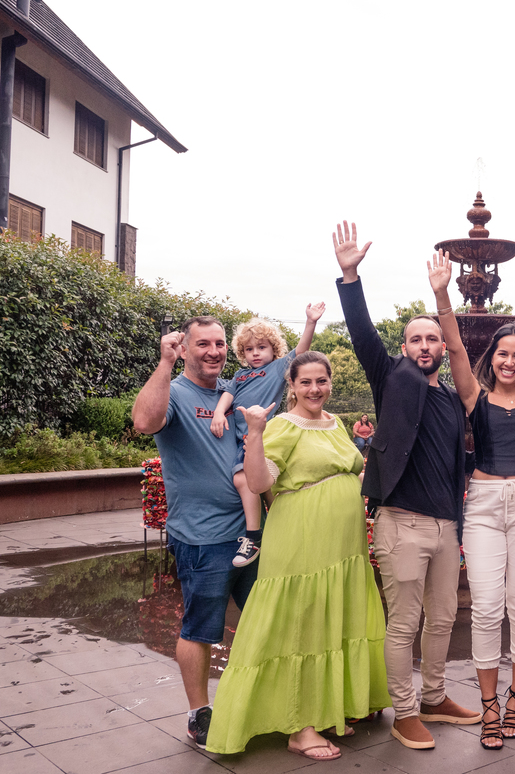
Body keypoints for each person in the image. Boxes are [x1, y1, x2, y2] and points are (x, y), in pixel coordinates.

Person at [333, 221, 479, 750]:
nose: (424, 345)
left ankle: (435, 697)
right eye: (415, 338)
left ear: (442, 345)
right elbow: (361, 333)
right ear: (404, 346)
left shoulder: (453, 398)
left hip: (445, 526)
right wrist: (351, 277)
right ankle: (406, 711)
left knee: (442, 618)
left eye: (432, 338)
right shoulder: (391, 376)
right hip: (402, 522)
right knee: (404, 622)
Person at [205, 351, 390, 759]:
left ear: (330, 382)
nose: (314, 389)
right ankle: (300, 727)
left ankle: (330, 708)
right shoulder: (283, 425)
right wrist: (255, 433)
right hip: (302, 541)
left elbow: (348, 469)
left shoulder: (335, 422)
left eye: (321, 381)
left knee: (334, 619)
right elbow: (258, 483)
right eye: (305, 382)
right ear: (291, 384)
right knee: (302, 624)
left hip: (343, 546)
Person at [427, 251, 515, 750]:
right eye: (502, 353)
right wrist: (442, 293)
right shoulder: (474, 397)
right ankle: (488, 705)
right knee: (485, 608)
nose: (508, 360)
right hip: (482, 504)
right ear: (494, 357)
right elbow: (457, 348)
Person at [131, 316, 258, 749]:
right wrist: (164, 364)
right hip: (203, 537)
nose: (214, 351)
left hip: (252, 534)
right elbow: (144, 422)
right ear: (184, 348)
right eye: (203, 344)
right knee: (200, 628)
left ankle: (258, 700)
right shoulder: (176, 392)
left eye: (219, 343)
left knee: (264, 620)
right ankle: (199, 712)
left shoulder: (233, 391)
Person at [210, 305, 324, 567]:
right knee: (267, 489)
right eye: (249, 349)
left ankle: (254, 537)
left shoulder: (277, 369)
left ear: (274, 349)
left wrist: (310, 322)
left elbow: (301, 351)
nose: (255, 353)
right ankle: (286, 533)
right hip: (244, 440)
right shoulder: (239, 375)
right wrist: (218, 412)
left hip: (263, 437)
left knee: (245, 478)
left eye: (261, 347)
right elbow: (228, 394)